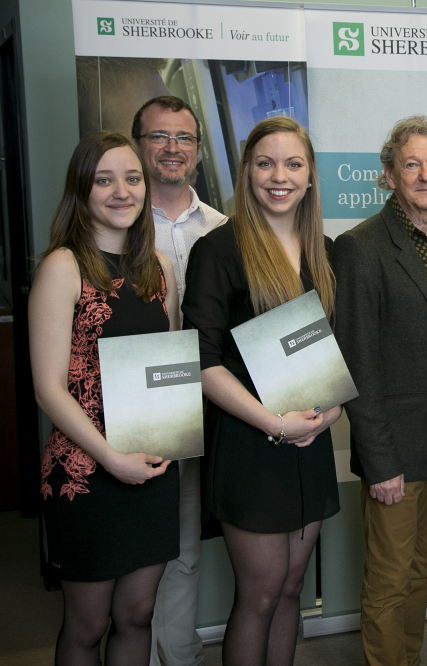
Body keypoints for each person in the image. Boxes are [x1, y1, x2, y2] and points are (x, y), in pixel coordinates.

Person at [181, 116, 341, 666]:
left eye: (293, 164)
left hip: (310, 441)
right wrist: (275, 424)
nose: (280, 176)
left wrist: (333, 408)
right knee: (262, 592)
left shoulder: (322, 249)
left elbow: (332, 349)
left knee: (294, 588)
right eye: (265, 163)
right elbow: (201, 364)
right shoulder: (219, 249)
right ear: (247, 170)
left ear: (311, 175)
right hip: (252, 443)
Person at [333, 116, 427, 666]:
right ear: (389, 174)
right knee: (389, 581)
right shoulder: (361, 248)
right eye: (411, 164)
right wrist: (378, 461)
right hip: (394, 451)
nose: (425, 174)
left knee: (421, 572)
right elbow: (357, 366)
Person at [30, 130, 181, 665]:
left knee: (137, 614)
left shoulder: (159, 268)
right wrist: (112, 457)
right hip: (85, 472)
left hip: (153, 465)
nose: (122, 191)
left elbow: (170, 367)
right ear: (82, 190)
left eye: (133, 178)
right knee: (88, 624)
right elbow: (48, 388)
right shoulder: (62, 267)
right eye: (105, 179)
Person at [132, 94, 226, 666]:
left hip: (204, 404)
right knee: (138, 548)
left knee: (187, 545)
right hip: (131, 411)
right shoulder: (113, 220)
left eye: (184, 138)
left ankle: (180, 654)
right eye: (159, 137)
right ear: (138, 144)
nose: (172, 149)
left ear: (197, 149)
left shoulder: (223, 228)